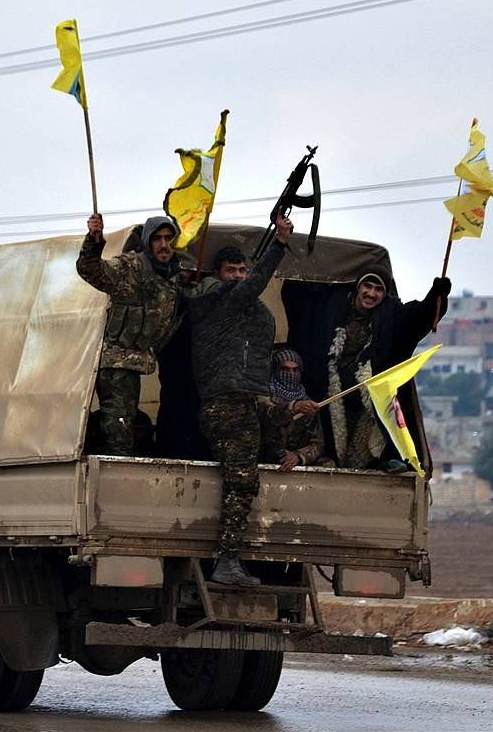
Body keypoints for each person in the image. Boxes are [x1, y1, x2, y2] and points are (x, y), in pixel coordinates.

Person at [187, 215, 293, 586]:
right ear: (218, 274)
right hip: (227, 401)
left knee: (241, 477)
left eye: (242, 269)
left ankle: (230, 558)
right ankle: (227, 560)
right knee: (242, 481)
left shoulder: (244, 306)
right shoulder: (218, 299)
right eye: (231, 269)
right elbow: (253, 287)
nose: (238, 275)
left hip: (244, 398)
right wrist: (278, 245)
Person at [283, 265, 451, 471]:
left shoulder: (392, 315)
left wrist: (437, 295)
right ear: (358, 287)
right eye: (367, 286)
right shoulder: (333, 307)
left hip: (369, 404)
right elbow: (300, 304)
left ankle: (386, 461)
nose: (371, 294)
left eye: (378, 289)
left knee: (370, 447)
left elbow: (419, 318)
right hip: (328, 399)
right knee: (330, 446)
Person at [76, 212, 183, 455]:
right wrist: (94, 241)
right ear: (147, 242)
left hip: (139, 361)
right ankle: (116, 471)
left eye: (168, 238)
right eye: (157, 239)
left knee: (127, 422)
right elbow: (89, 269)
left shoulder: (173, 279)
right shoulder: (129, 267)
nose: (164, 245)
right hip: (116, 361)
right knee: (118, 426)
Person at [259, 348, 325, 470]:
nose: (290, 374)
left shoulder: (308, 404)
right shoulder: (263, 395)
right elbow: (267, 415)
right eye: (285, 369)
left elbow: (318, 443)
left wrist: (298, 456)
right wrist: (293, 407)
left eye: (295, 370)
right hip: (263, 461)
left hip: (293, 467)